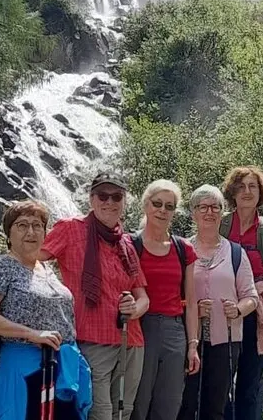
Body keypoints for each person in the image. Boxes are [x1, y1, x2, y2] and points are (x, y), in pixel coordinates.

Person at [41, 173, 150, 420]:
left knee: (124, 411)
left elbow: (143, 296)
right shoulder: (70, 229)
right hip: (92, 340)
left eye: (116, 196)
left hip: (131, 340)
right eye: (102, 195)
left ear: (124, 202)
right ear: (91, 199)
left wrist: (134, 308)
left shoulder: (126, 243)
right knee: (99, 413)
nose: (109, 202)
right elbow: (34, 257)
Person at [0, 200, 92, 420]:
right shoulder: (1, 266)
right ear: (9, 234)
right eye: (22, 225)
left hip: (59, 368)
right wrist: (31, 333)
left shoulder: (45, 268)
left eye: (37, 225)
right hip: (27, 368)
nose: (31, 231)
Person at [178, 184, 258, 420]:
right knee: (185, 403)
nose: (209, 212)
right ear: (193, 213)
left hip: (226, 339)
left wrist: (237, 310)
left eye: (215, 207)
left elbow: (251, 297)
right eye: (203, 207)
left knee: (216, 405)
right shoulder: (180, 250)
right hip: (186, 339)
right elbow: (169, 296)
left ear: (222, 212)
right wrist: (190, 308)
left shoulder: (235, 253)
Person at [131, 180, 202, 420]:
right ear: (145, 205)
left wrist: (193, 345)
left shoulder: (183, 248)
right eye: (157, 204)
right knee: (138, 402)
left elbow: (191, 301)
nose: (162, 210)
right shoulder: (130, 245)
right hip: (140, 328)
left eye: (169, 206)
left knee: (169, 404)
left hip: (175, 330)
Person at [218, 166, 263, 420]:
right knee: (221, 384)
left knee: (251, 387)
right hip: (224, 311)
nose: (247, 191)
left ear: (261, 193)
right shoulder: (220, 224)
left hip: (259, 315)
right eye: (241, 186)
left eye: (252, 186)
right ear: (232, 192)